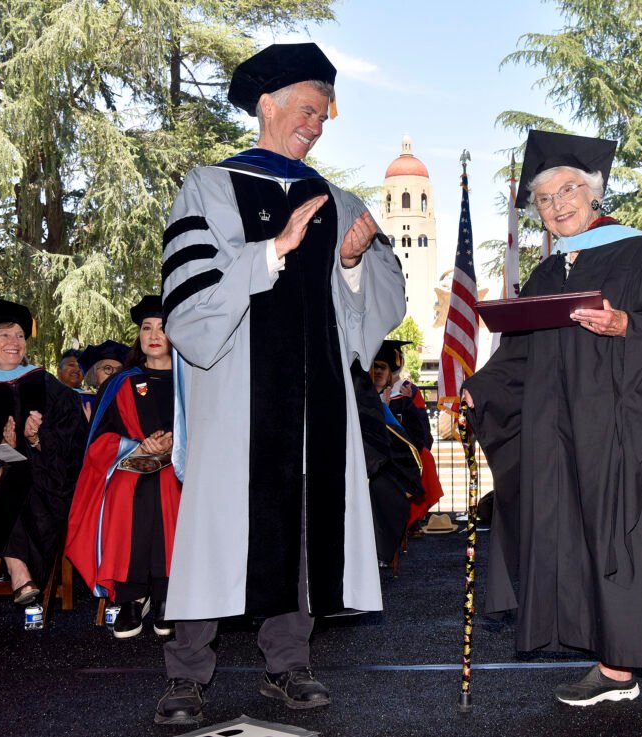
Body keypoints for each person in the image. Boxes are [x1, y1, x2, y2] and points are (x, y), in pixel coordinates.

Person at [155, 42, 405, 725]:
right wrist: (270, 252)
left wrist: (351, 261)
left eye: (324, 115)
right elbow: (189, 303)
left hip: (315, 403)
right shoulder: (208, 186)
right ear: (265, 106)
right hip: (237, 398)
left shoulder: (337, 198)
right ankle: (186, 673)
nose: (316, 124)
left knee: (301, 527)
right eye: (306, 109)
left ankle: (289, 665)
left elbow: (376, 311)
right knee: (215, 528)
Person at [462, 130, 642, 732]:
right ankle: (615, 668)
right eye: (543, 198)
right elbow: (517, 359)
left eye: (568, 189)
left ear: (594, 194)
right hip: (565, 434)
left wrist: (626, 329)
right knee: (586, 540)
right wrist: (477, 389)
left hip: (631, 430)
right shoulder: (545, 275)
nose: (557, 204)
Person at [0, 299, 87, 625]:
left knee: (13, 473)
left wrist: (37, 440)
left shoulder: (47, 386)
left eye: (20, 335)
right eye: (4, 335)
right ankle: (16, 570)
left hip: (47, 488)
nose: (15, 343)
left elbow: (75, 443)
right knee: (6, 473)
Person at [65, 296, 181, 639]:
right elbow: (98, 440)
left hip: (182, 467)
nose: (153, 334)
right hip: (129, 465)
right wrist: (138, 446)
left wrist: (176, 442)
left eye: (163, 327)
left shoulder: (194, 380)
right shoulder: (121, 383)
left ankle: (166, 595)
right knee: (130, 490)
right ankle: (131, 595)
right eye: (147, 327)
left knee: (169, 488)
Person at [368, 340, 443, 532]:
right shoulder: (362, 396)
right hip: (373, 455)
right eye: (374, 367)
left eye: (383, 368)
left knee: (421, 459)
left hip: (400, 452)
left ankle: (410, 521)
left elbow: (420, 431)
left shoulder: (405, 395)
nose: (378, 372)